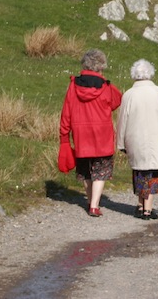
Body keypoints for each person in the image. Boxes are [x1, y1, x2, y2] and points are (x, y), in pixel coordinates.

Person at [115, 59, 158, 220]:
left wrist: (120, 142)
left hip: (134, 139)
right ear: (150, 73)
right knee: (153, 172)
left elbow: (122, 120)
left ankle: (141, 205)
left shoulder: (129, 95)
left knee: (139, 172)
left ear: (134, 75)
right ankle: (147, 209)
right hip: (156, 140)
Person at [58, 49, 123, 217]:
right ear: (101, 67)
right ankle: (94, 205)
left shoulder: (73, 85)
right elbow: (117, 100)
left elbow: (66, 112)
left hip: (81, 135)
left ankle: (89, 201)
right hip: (102, 135)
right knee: (101, 170)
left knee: (86, 170)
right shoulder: (106, 86)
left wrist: (64, 136)